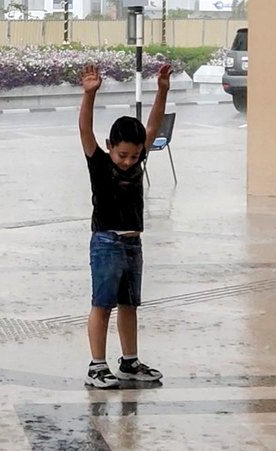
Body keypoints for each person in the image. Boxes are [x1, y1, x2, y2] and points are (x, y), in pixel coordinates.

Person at [79, 63, 171, 388]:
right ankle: (96, 366)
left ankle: (129, 362)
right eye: (122, 155)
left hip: (133, 244)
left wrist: (162, 90)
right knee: (102, 304)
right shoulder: (100, 164)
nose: (129, 161)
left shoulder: (137, 159)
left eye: (134, 156)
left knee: (129, 304)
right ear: (109, 147)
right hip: (106, 243)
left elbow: (153, 124)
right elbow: (85, 132)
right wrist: (89, 95)